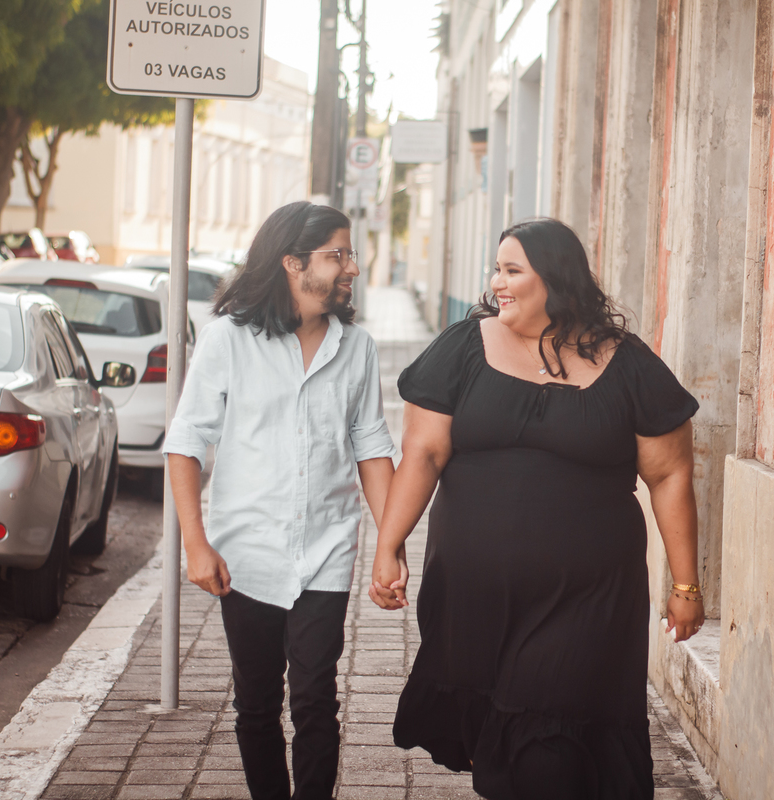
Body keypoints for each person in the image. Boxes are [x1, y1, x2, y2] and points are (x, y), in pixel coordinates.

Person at [368, 218, 704, 799]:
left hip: (587, 597)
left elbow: (670, 473)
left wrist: (686, 584)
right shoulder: (462, 347)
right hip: (474, 596)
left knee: (544, 748)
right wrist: (388, 544)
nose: (497, 282)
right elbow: (422, 452)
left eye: (512, 270)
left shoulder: (627, 364)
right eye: (496, 268)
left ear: (555, 278)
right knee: (503, 743)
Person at [163, 201, 396, 800]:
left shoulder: (357, 347)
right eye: (337, 255)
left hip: (327, 547)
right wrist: (197, 544)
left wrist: (389, 547)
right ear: (294, 263)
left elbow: (371, 446)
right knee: (257, 702)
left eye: (350, 253)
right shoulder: (227, 340)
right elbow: (186, 443)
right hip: (247, 555)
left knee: (317, 698)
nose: (353, 267)